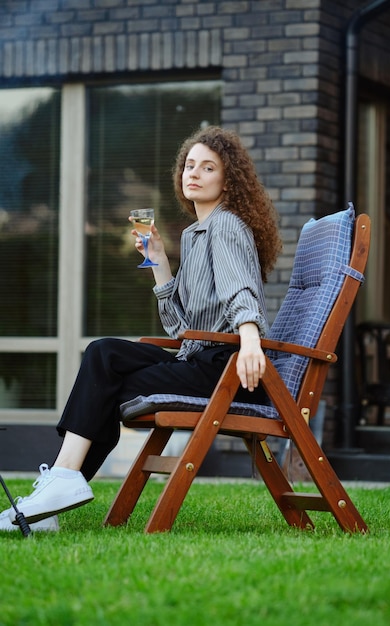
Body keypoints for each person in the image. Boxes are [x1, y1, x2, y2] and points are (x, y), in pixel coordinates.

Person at [0, 126, 282, 532]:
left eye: (208, 167)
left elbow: (241, 290)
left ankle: (55, 494)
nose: (194, 173)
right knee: (103, 353)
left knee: (109, 382)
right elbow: (182, 328)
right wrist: (159, 264)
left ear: (228, 180)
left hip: (227, 367)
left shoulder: (225, 226)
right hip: (199, 357)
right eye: (190, 165)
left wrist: (252, 339)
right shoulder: (193, 234)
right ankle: (59, 485)